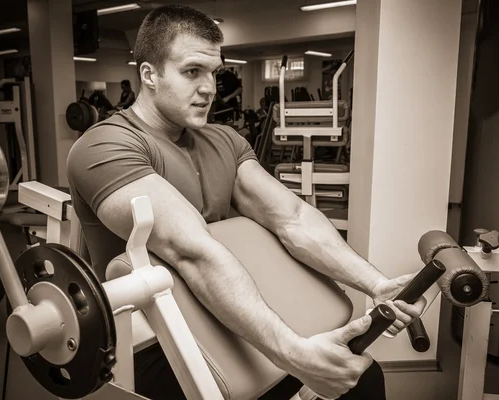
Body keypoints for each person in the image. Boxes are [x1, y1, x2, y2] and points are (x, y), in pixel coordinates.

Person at [66, 5, 426, 400]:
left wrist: (376, 284)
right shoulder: (105, 145)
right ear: (149, 74)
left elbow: (292, 218)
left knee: (362, 380)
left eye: (213, 73)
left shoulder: (224, 140)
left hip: (230, 314)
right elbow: (191, 252)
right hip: (152, 341)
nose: (209, 88)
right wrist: (294, 355)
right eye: (191, 71)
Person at [214, 54, 242, 121]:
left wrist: (228, 98)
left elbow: (240, 89)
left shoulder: (230, 76)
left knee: (228, 127)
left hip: (229, 106)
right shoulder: (214, 76)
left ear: (222, 63)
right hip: (218, 108)